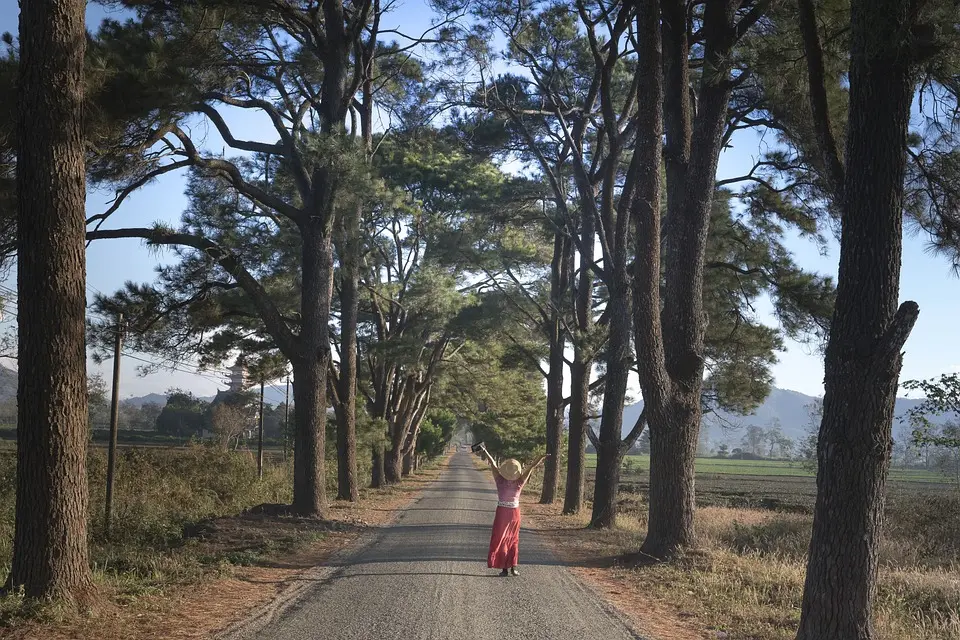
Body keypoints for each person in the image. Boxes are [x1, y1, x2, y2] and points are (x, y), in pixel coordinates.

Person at [475, 445, 548, 577]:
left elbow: (492, 463)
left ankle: (505, 568)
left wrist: (485, 450)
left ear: (504, 471)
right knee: (513, 539)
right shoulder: (520, 482)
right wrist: (540, 458)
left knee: (502, 539)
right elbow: (531, 467)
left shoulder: (499, 480)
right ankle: (512, 567)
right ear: (517, 472)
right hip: (514, 513)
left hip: (502, 512)